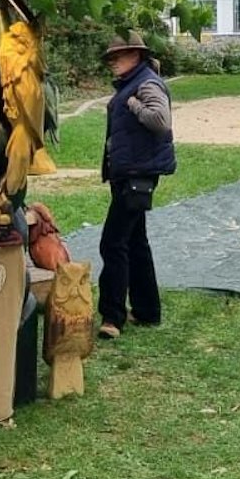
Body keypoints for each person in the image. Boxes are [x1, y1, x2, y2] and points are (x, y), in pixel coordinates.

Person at [96, 31, 175, 339]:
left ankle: (112, 318)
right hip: (129, 173)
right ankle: (147, 310)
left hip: (136, 176)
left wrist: (132, 104)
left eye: (119, 55)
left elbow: (160, 120)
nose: (113, 61)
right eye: (111, 57)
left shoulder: (146, 83)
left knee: (112, 243)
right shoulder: (136, 81)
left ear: (136, 55)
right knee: (135, 243)